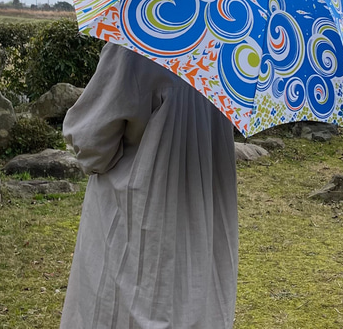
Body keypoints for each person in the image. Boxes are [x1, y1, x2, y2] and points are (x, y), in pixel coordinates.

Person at [60, 42, 238, 329]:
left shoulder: (138, 44)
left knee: (125, 308)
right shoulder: (229, 52)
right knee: (195, 301)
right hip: (205, 214)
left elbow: (91, 140)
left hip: (140, 217)